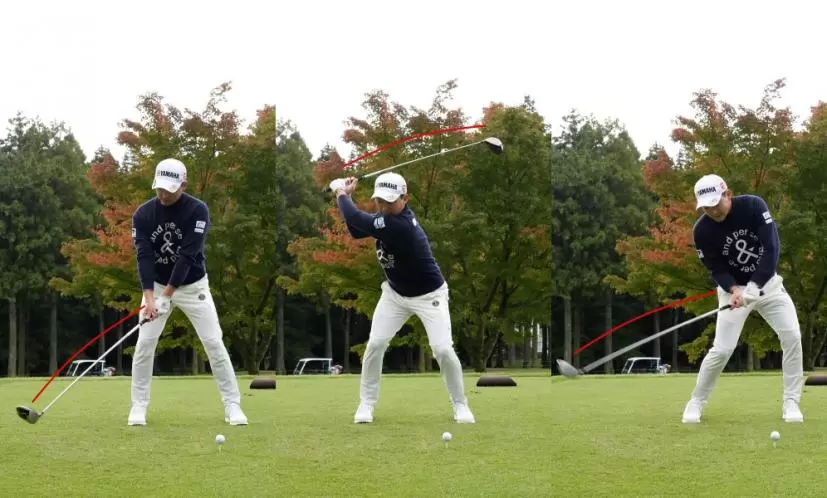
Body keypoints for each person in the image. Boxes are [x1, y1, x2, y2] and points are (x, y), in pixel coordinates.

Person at [330, 172, 475, 424]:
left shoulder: (401, 225)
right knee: (376, 344)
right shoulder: (385, 219)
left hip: (430, 295)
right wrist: (346, 197)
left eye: (389, 201)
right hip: (395, 294)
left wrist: (340, 192)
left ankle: (460, 404)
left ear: (405, 199)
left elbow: (354, 218)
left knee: (442, 349)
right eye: (379, 201)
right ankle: (366, 403)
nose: (383, 206)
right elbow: (355, 229)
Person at [128, 158, 248, 426]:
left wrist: (167, 297)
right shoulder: (143, 214)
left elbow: (187, 256)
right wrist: (150, 299)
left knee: (213, 342)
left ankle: (232, 405)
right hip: (156, 286)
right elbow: (144, 257)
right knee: (145, 344)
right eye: (159, 188)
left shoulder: (197, 210)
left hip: (193, 286)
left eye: (169, 189)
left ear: (184, 185)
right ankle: (138, 406)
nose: (163, 195)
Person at [683, 173, 804, 424]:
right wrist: (734, 289)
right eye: (706, 207)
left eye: (715, 204)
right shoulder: (702, 230)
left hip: (768, 285)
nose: (712, 211)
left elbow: (771, 248)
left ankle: (791, 402)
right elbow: (716, 269)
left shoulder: (753, 206)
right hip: (734, 292)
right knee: (722, 349)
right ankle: (696, 402)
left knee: (792, 336)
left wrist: (755, 286)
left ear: (728, 194)